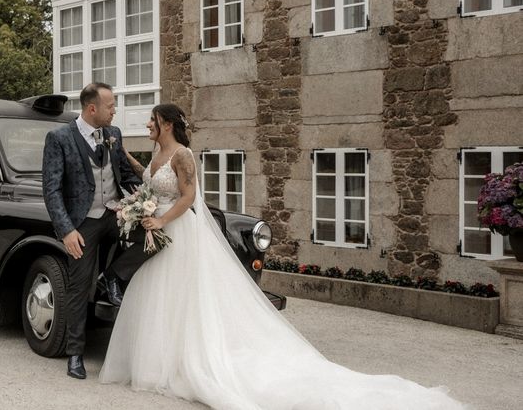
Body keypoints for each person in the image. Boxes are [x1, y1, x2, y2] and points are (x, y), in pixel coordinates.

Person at [99, 103, 465, 410]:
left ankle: (188, 361)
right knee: (160, 297)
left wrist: (159, 218)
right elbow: (146, 173)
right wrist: (123, 155)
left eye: (151, 120)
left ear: (165, 123)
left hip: (176, 229)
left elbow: (188, 197)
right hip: (158, 231)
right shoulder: (158, 153)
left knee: (183, 298)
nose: (146, 123)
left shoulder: (183, 155)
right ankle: (162, 360)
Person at [42, 82, 147, 380]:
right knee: (78, 287)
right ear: (92, 109)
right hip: (83, 222)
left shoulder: (113, 134)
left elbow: (124, 176)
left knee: (153, 238)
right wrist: (66, 231)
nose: (115, 110)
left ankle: (113, 276)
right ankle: (75, 355)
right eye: (111, 106)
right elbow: (51, 190)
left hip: (115, 214)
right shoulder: (59, 138)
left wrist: (147, 204)